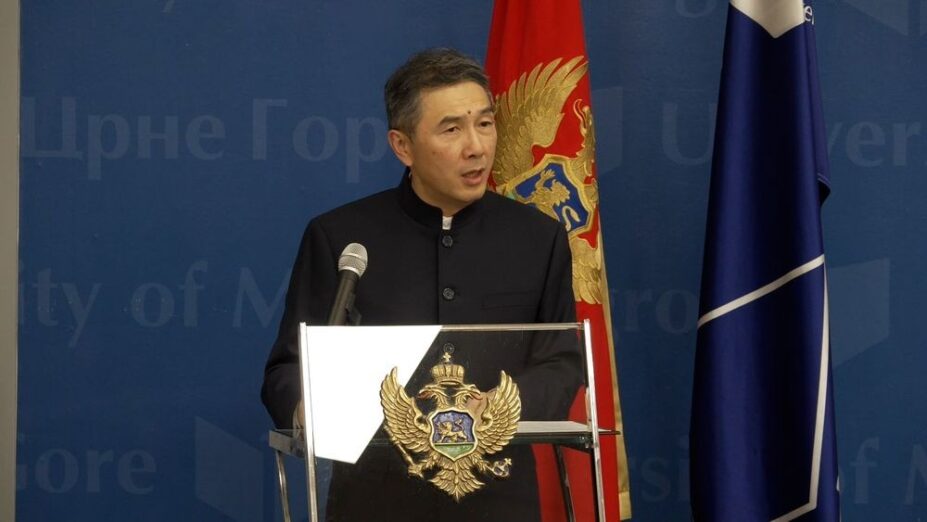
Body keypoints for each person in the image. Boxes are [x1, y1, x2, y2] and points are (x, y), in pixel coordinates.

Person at [262, 48, 582, 521]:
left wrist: (497, 405)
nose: (476, 147)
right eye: (451, 130)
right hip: (373, 503)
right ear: (403, 146)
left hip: (498, 502)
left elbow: (562, 362)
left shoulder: (538, 238)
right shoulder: (341, 238)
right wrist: (306, 408)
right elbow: (286, 370)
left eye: (485, 124)